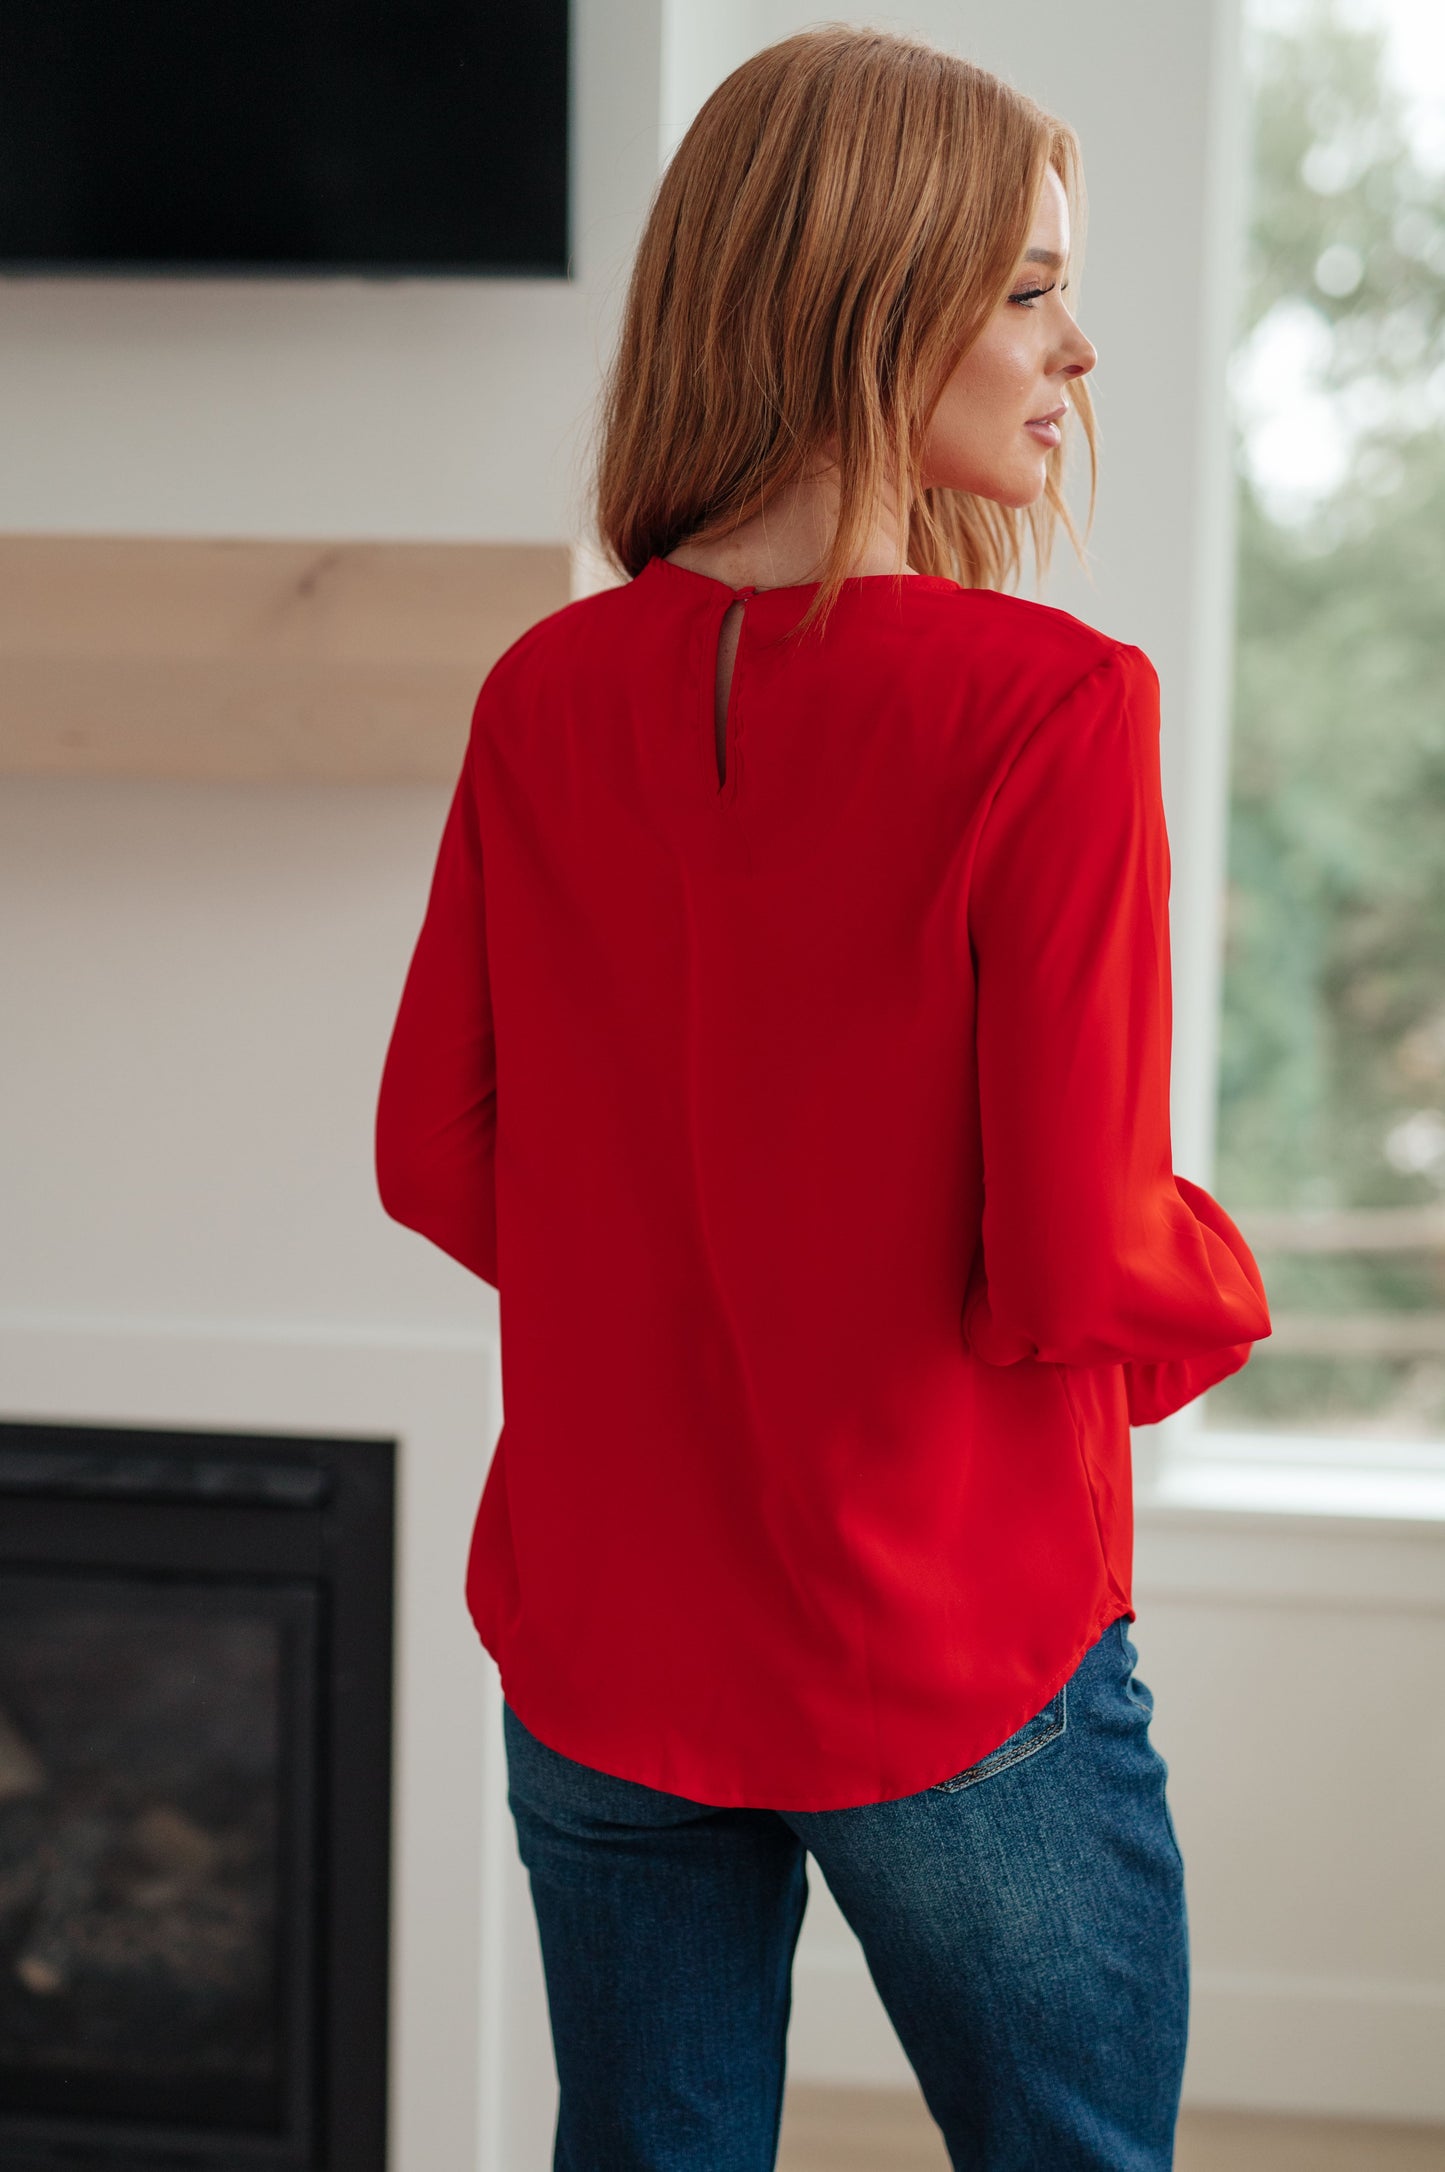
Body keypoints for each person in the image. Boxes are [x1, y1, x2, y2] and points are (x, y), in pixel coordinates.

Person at [375, 23, 1272, 2170]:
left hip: (603, 1635)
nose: (1076, 355)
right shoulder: (1050, 710)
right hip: (946, 1643)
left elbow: (436, 1152)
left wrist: (683, 1300)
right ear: (876, 298)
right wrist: (1223, 1289)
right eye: (1033, 287)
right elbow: (1076, 1253)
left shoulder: (544, 692)